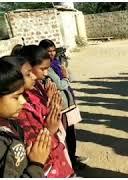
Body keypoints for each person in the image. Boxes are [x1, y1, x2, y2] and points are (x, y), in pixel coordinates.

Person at [17, 46, 74, 177]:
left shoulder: (37, 86)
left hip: (55, 149)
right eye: (43, 69)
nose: (46, 73)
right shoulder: (19, 105)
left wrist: (50, 102)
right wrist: (49, 131)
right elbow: (33, 141)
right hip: (44, 161)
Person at [39, 39, 88, 170]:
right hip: (61, 108)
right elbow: (61, 85)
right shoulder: (47, 69)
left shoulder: (56, 64)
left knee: (71, 135)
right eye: (48, 51)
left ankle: (73, 157)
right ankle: (70, 162)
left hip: (68, 105)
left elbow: (69, 78)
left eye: (53, 50)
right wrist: (65, 78)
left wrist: (66, 74)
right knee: (65, 137)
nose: (51, 54)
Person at [0, 59, 51, 177]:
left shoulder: (10, 123)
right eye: (16, 97)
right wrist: (36, 165)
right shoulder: (2, 143)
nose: (23, 102)